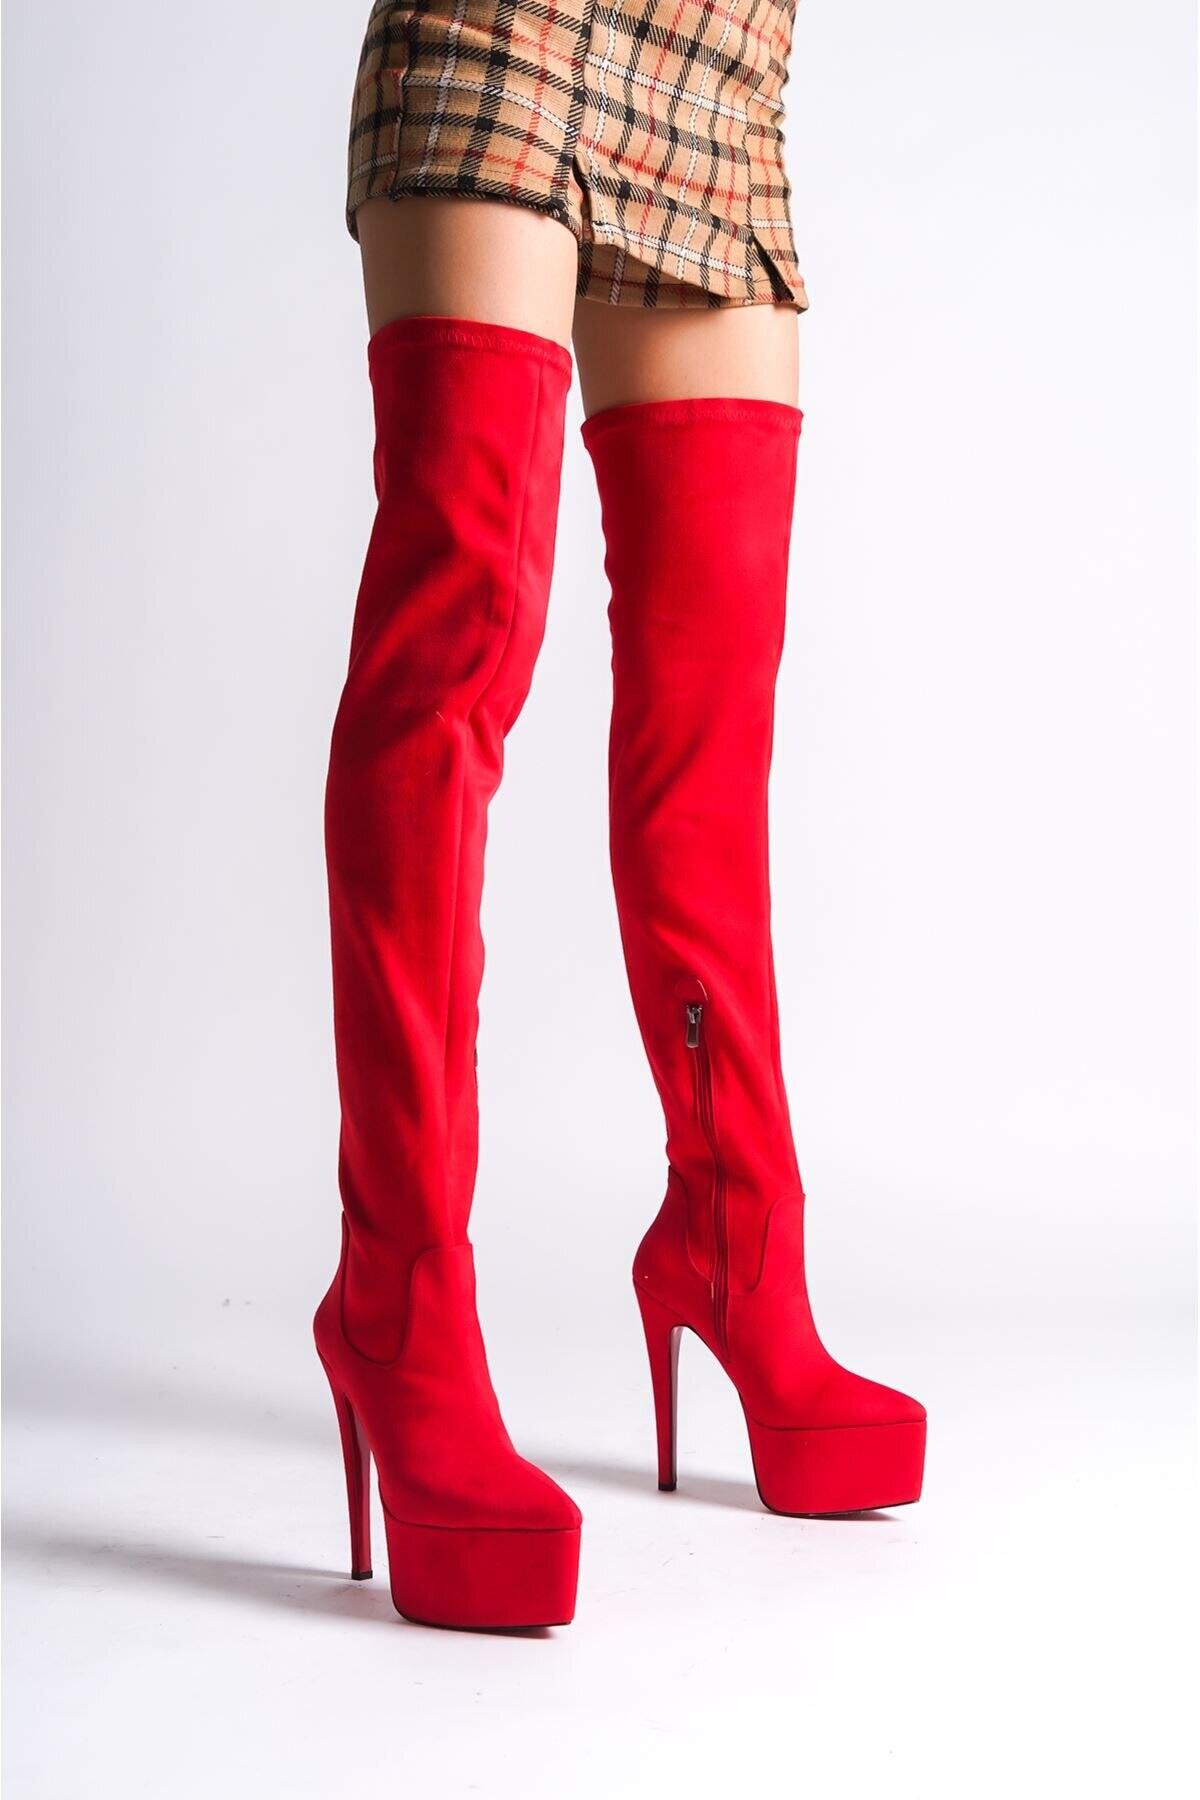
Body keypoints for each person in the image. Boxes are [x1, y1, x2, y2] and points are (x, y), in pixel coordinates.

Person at [313, 0, 926, 1633]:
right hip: (503, 32)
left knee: (709, 739)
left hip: (718, 61)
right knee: (451, 667)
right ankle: (399, 1302)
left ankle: (737, 1247)